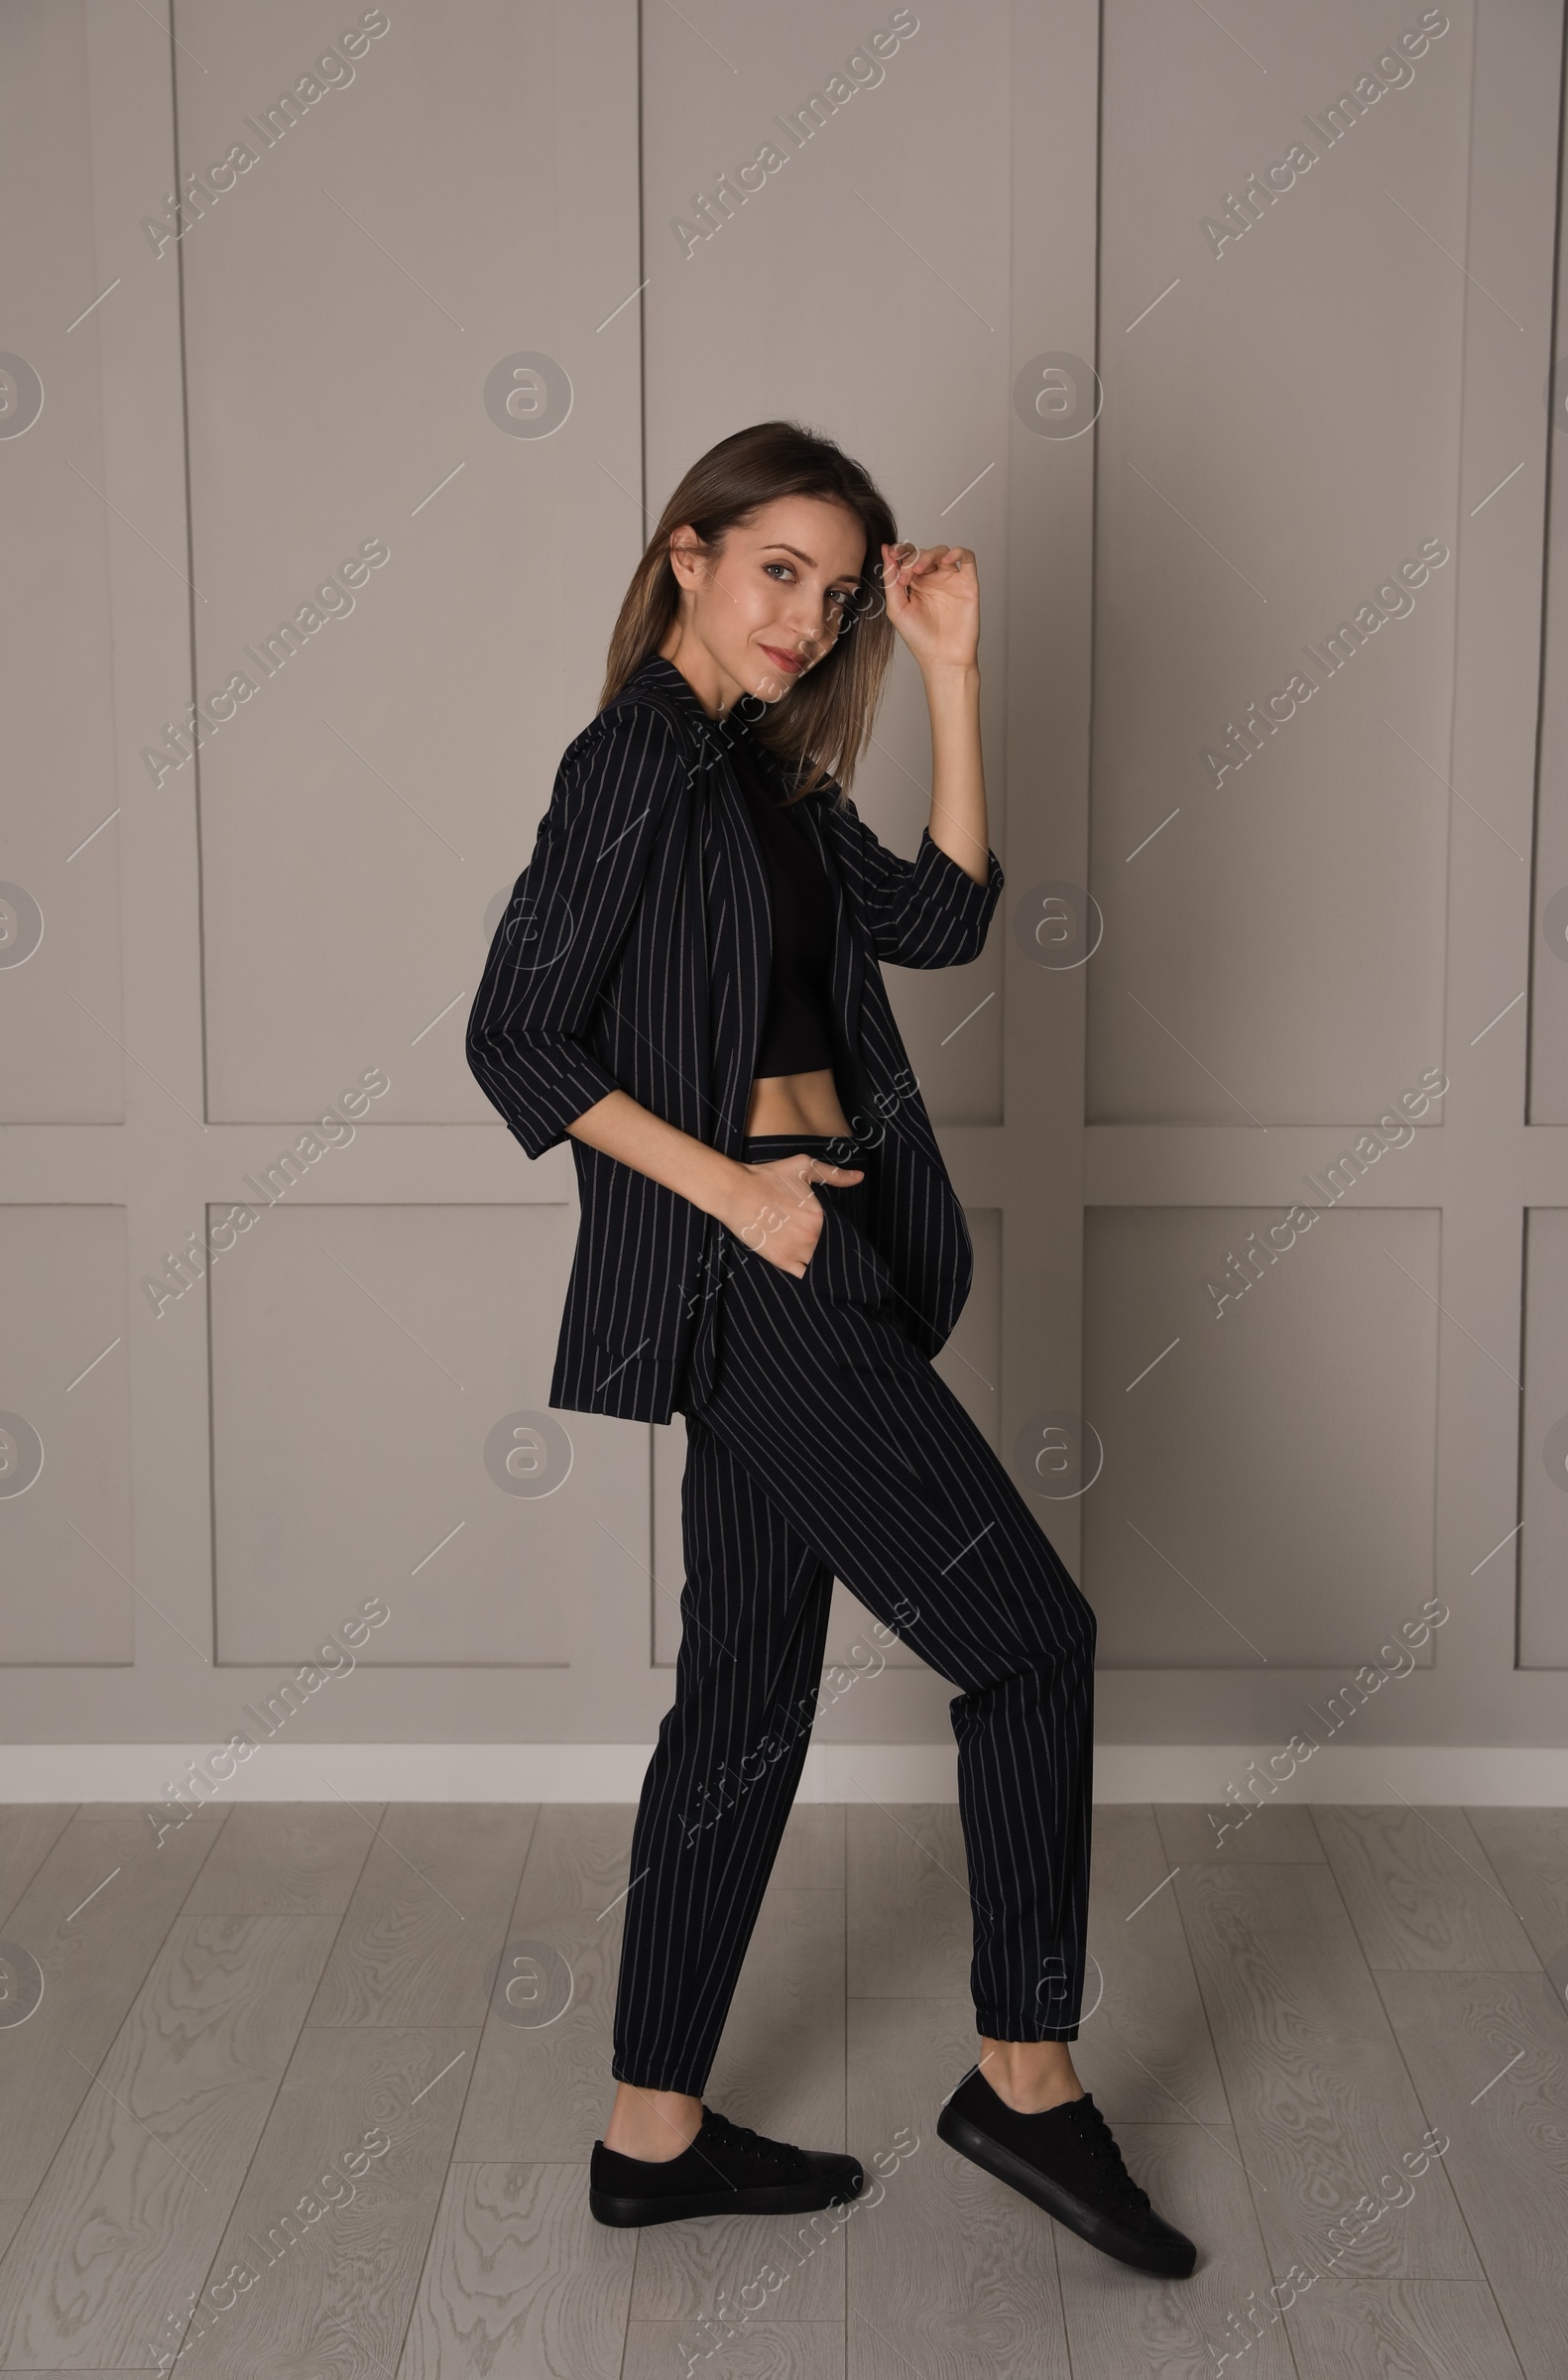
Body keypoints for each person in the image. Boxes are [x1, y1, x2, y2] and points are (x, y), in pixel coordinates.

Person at [465, 420, 1196, 2279]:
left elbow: (942, 919)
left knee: (743, 1707)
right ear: (692, 553)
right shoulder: (634, 748)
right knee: (1031, 1645)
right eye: (779, 570)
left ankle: (651, 2139)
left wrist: (948, 672)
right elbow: (514, 1039)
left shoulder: (766, 774)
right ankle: (1021, 2084)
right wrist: (744, 1197)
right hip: (762, 1273)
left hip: (819, 1248)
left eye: (838, 591)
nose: (809, 616)